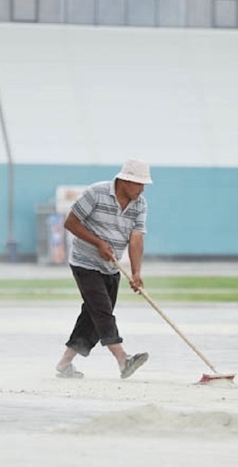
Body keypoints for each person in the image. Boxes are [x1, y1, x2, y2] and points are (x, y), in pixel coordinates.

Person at [56, 158, 152, 380]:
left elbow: (136, 239)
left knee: (92, 316)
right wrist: (98, 243)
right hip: (84, 262)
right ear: (125, 181)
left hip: (111, 267)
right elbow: (70, 222)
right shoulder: (96, 193)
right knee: (102, 312)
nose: (143, 188)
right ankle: (123, 360)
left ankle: (64, 364)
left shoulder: (140, 204)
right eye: (139, 183)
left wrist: (136, 273)